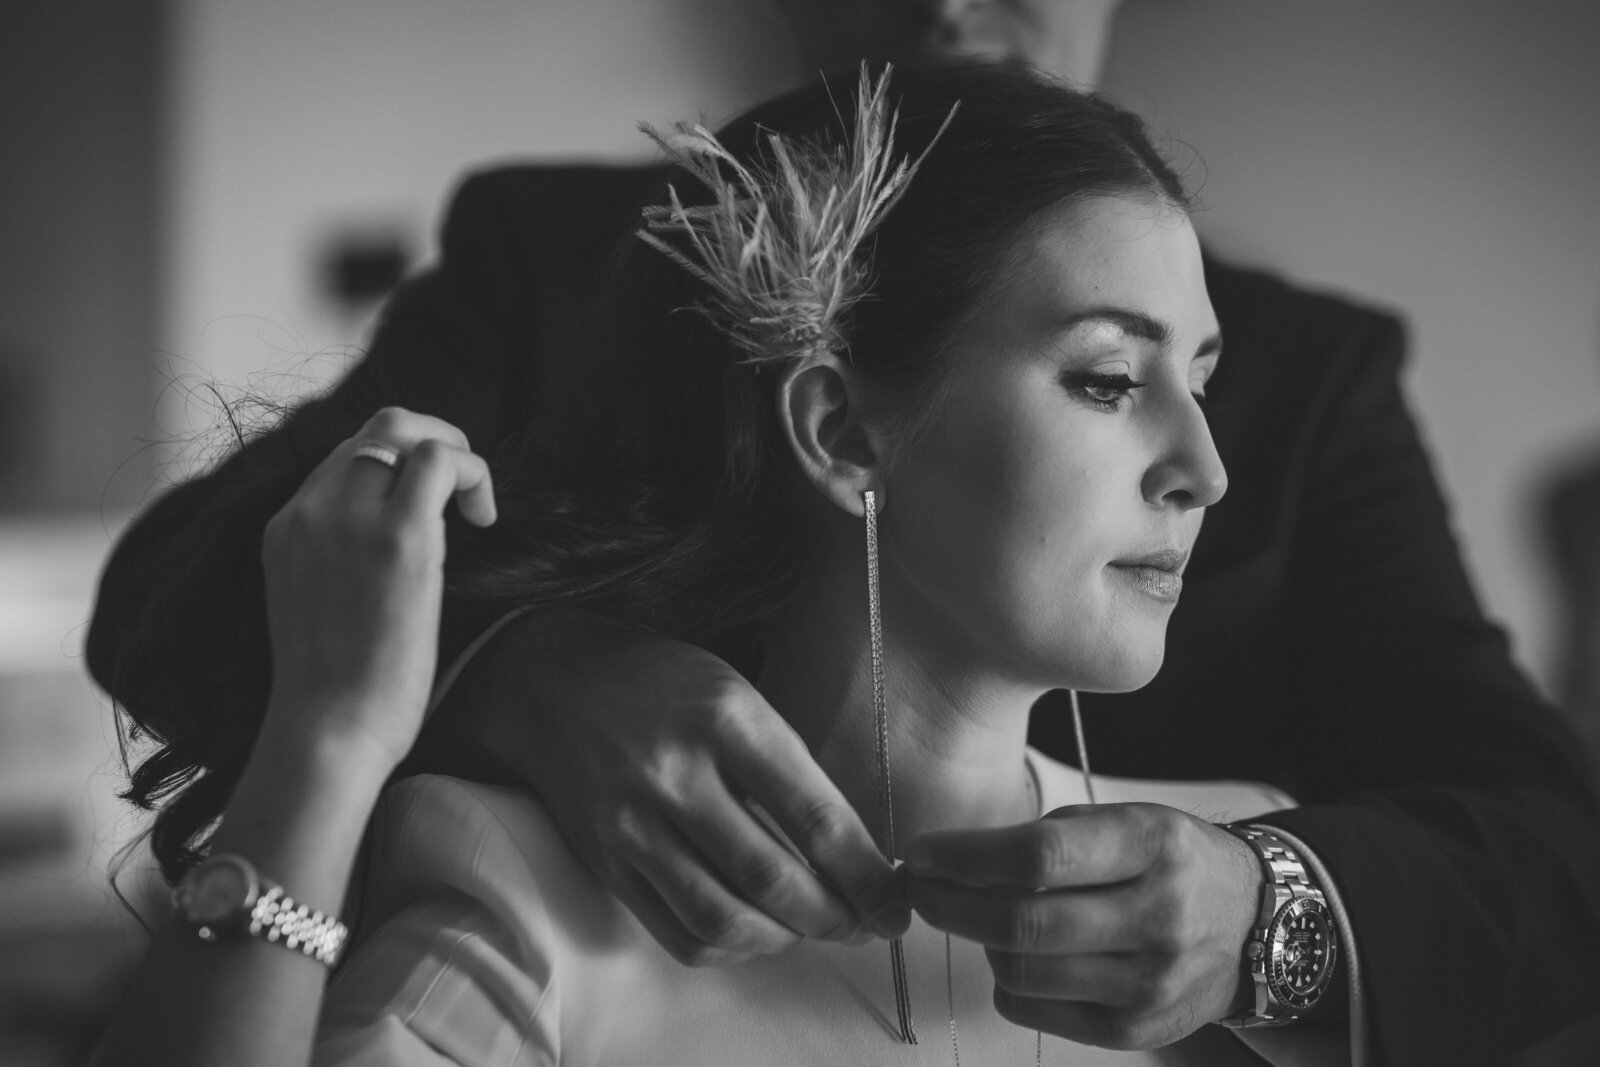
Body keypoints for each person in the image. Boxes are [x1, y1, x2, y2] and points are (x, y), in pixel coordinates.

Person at [86, 3, 1600, 1064]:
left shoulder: (1318, 376)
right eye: (1103, 380)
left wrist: (1277, 927)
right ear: (835, 426)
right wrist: (508, 663)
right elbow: (220, 578)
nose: (1201, 469)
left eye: (1185, 379)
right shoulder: (553, 256)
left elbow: (1547, 846)